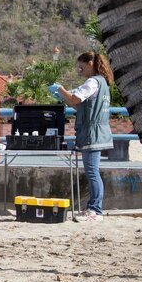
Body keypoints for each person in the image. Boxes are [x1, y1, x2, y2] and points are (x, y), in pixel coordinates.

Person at [48, 51, 114, 222]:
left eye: (81, 67)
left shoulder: (92, 82)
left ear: (90, 63)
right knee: (93, 171)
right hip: (97, 132)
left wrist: (61, 90)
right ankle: (94, 208)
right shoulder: (103, 83)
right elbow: (82, 107)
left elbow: (76, 99)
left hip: (92, 133)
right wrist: (64, 97)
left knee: (92, 171)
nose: (79, 71)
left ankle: (95, 210)